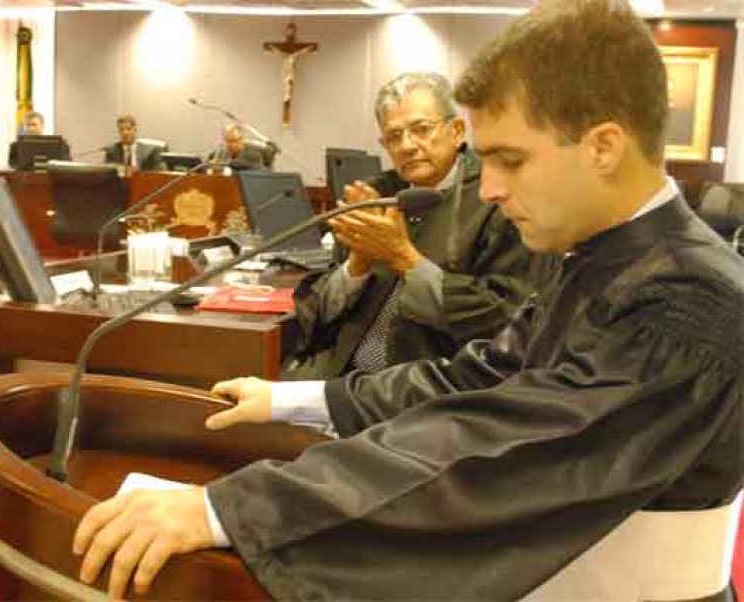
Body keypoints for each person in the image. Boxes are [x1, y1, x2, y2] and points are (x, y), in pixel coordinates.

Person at [73, 1, 744, 600]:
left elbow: (508, 448)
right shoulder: (606, 256)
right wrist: (294, 400)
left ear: (603, 147)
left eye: (510, 159)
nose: (490, 188)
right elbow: (476, 380)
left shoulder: (689, 298)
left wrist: (232, 509)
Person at [284, 71, 536, 380]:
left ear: (457, 131)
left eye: (421, 129)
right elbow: (321, 311)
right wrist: (357, 265)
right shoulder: (377, 194)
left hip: (429, 385)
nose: (406, 146)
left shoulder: (500, 199)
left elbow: (505, 318)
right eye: (393, 136)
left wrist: (404, 258)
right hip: (340, 371)